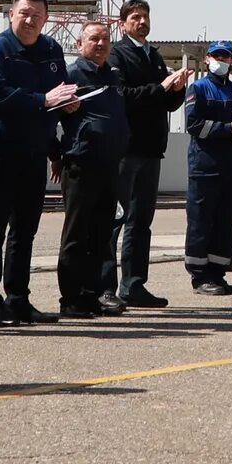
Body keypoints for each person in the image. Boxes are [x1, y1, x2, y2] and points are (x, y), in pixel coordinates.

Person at [0, 0, 74, 327]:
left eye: (36, 15)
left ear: (46, 19)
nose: (29, 20)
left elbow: (60, 91)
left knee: (24, 230)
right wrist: (44, 100)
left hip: (34, 150)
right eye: (23, 13)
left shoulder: (51, 50)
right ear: (11, 15)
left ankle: (19, 299)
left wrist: (67, 104)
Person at [104, 0, 188, 311]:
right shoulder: (117, 54)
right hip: (126, 149)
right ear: (123, 23)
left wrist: (176, 92)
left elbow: (163, 103)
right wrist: (162, 88)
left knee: (141, 221)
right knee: (115, 220)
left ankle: (135, 285)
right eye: (135, 17)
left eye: (145, 17)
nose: (142, 22)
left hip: (152, 149)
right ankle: (106, 287)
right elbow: (123, 97)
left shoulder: (153, 55)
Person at [53, 18, 132, 320]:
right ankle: (71, 298)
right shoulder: (72, 75)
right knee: (77, 234)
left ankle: (91, 294)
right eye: (94, 39)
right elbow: (50, 116)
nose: (100, 44)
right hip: (81, 164)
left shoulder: (111, 75)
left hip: (109, 164)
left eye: (105, 39)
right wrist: (56, 155)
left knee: (100, 235)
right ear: (79, 44)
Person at [182, 40, 232, 294]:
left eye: (225, 57)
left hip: (231, 167)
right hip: (204, 166)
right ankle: (200, 276)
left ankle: (218, 274)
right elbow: (193, 125)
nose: (220, 60)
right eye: (216, 56)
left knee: (226, 222)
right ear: (207, 59)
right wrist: (227, 129)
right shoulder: (198, 88)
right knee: (201, 221)